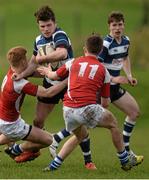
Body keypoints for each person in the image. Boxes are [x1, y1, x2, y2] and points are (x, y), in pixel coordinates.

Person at [11, 5, 94, 169]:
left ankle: (88, 160)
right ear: (38, 26)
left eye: (49, 25)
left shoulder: (60, 34)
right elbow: (34, 62)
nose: (46, 29)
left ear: (54, 23)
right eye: (42, 26)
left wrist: (43, 59)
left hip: (69, 83)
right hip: (50, 82)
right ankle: (32, 149)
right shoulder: (38, 40)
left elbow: (62, 53)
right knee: (38, 120)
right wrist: (21, 75)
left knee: (77, 125)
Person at [37, 33, 135, 172]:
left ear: (85, 49)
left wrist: (47, 71)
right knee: (113, 123)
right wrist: (95, 110)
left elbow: (54, 75)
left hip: (67, 109)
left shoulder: (73, 62)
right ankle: (124, 159)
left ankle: (54, 165)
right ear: (101, 51)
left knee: (81, 135)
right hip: (87, 108)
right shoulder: (104, 71)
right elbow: (105, 103)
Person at [0, 46, 68, 160]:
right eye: (26, 59)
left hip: (4, 120)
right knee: (49, 140)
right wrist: (67, 80)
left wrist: (55, 72)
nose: (28, 61)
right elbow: (47, 93)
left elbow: (34, 72)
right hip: (13, 126)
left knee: (8, 135)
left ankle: (13, 148)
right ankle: (17, 150)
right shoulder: (19, 83)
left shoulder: (11, 73)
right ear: (22, 61)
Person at [98, 11, 143, 165]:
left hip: (115, 88)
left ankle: (128, 151)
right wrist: (114, 78)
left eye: (120, 24)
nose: (117, 28)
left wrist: (129, 75)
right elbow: (97, 67)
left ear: (124, 25)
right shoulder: (105, 44)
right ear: (109, 26)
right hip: (102, 88)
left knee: (134, 112)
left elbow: (125, 57)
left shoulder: (126, 40)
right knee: (83, 125)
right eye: (114, 25)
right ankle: (56, 140)